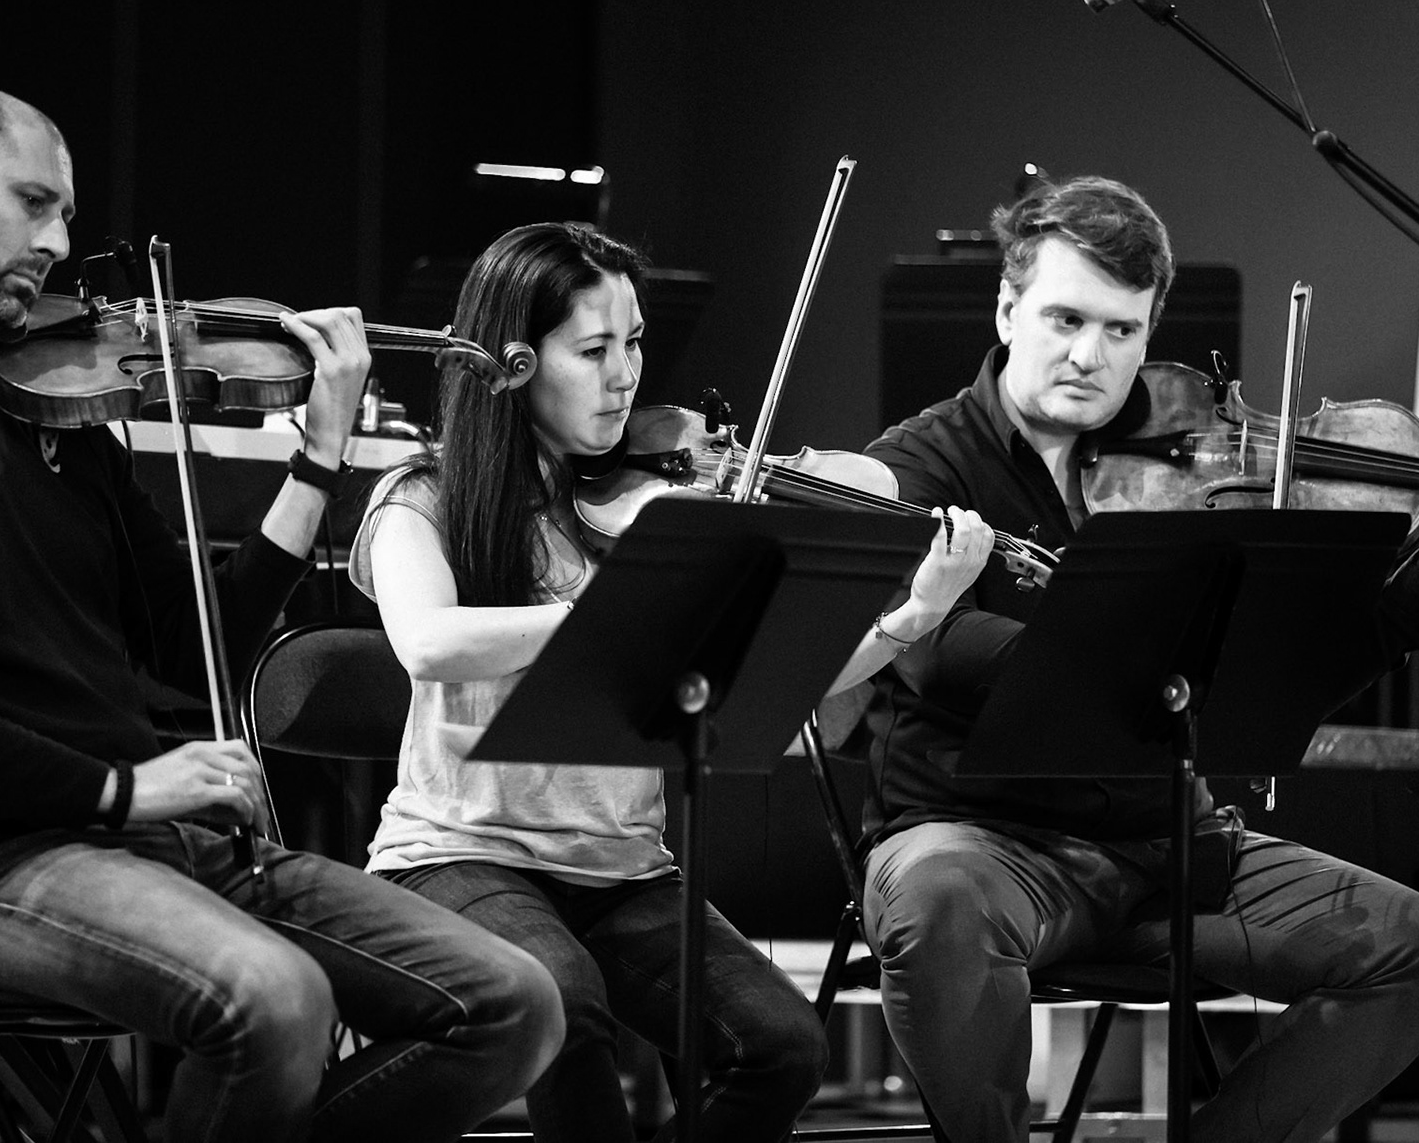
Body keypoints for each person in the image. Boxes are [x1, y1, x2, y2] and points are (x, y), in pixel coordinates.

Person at [0, 86, 563, 1143]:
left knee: (514, 1004)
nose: (58, 241)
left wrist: (316, 459)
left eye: (67, 214)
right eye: (34, 203)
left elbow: (195, 642)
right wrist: (119, 786)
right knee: (276, 1001)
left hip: (166, 840)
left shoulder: (63, 425)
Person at [856, 174, 1419, 1142]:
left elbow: (1291, 676)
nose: (1091, 356)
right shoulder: (921, 463)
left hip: (1170, 843)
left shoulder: (1192, 460)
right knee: (937, 897)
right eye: (1065, 319)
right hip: (984, 841)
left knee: (1414, 944)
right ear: (1007, 307)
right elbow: (930, 652)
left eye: (1122, 331)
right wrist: (1143, 647)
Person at [350, 221, 993, 1143]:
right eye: (595, 349)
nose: (627, 376)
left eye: (637, 342)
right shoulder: (425, 496)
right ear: (515, 362)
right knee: (567, 1011)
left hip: (620, 872)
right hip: (459, 856)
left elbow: (776, 675)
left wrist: (916, 612)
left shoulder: (653, 507)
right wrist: (624, 604)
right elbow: (429, 642)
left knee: (784, 1045)